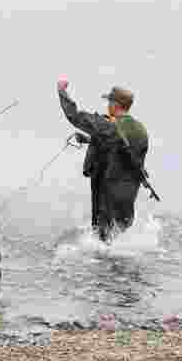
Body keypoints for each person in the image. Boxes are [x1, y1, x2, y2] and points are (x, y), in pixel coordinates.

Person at [57, 80, 150, 243]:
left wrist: (62, 91)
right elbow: (121, 149)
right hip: (129, 193)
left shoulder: (108, 125)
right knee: (121, 237)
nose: (108, 106)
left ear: (115, 105)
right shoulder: (141, 129)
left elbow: (74, 116)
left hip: (108, 191)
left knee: (102, 239)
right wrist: (89, 140)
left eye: (109, 102)